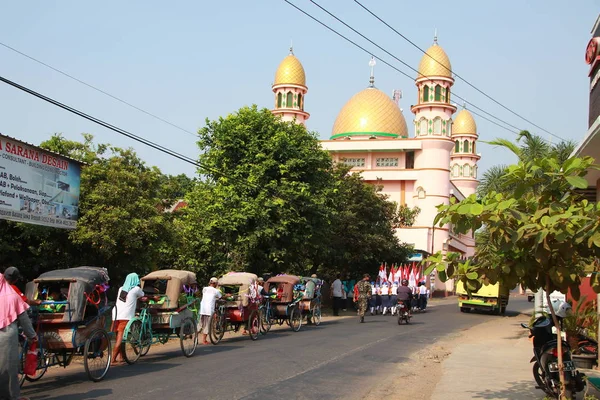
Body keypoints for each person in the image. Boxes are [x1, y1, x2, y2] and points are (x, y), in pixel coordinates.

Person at [0, 272, 37, 400]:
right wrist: (32, 335)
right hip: (7, 336)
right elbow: (24, 318)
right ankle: (12, 397)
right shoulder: (12, 295)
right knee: (9, 370)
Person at [111, 273, 144, 365]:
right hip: (125, 316)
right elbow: (143, 297)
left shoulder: (121, 289)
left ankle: (121, 357)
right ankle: (113, 359)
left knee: (118, 335)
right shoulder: (136, 289)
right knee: (120, 338)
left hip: (115, 314)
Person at [199, 277, 222, 345]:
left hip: (202, 309)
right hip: (209, 310)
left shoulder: (204, 288)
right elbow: (220, 297)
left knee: (200, 324)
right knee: (207, 325)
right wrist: (227, 295)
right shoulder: (216, 291)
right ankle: (204, 340)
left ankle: (195, 339)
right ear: (215, 284)